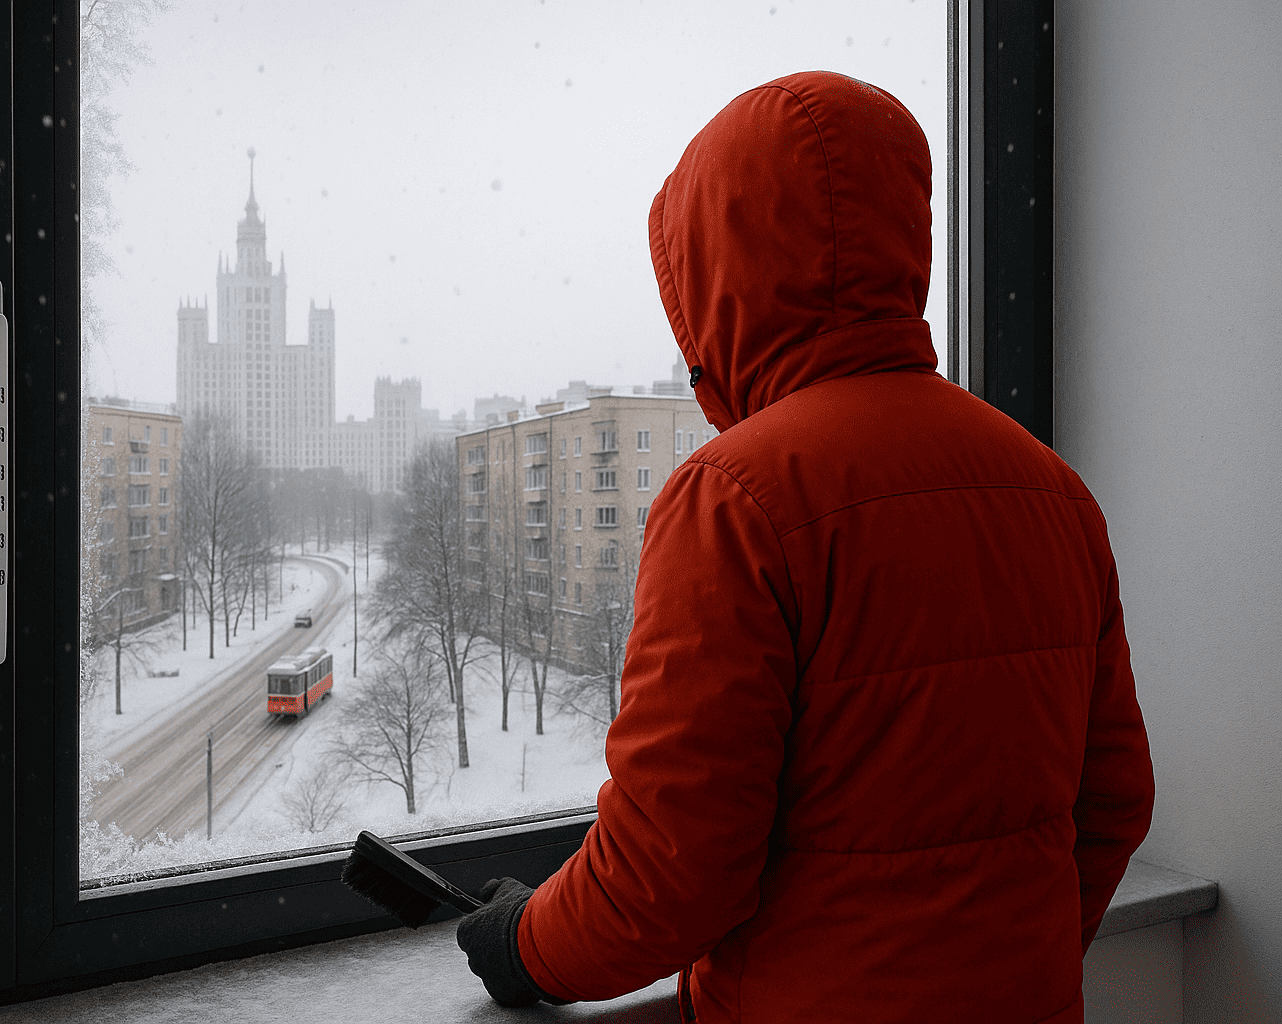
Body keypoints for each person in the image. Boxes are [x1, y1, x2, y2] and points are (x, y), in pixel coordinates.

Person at [457, 70, 1154, 1023]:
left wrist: (524, 943)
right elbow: (1113, 798)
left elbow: (673, 865)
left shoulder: (735, 500)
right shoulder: (1050, 486)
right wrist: (997, 964)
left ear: (715, 276)